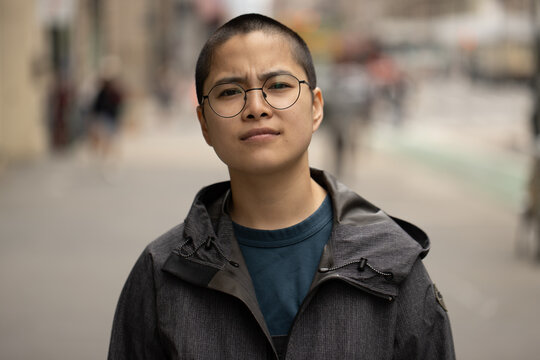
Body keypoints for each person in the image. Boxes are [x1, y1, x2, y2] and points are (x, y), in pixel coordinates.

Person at [108, 13, 455, 359]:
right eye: (230, 91)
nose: (256, 107)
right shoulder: (163, 271)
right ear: (204, 124)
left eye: (278, 86)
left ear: (316, 107)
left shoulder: (391, 262)